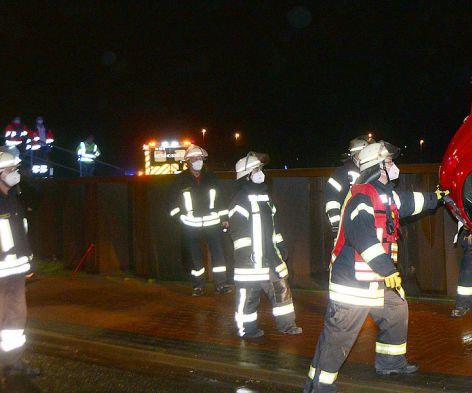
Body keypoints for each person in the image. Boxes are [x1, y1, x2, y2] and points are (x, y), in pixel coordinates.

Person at [304, 141, 446, 392]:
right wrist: (387, 269)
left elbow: (410, 201)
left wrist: (437, 197)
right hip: (353, 283)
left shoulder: (384, 194)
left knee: (396, 311)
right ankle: (319, 386)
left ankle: (391, 362)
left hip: (376, 279)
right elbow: (363, 237)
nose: (395, 167)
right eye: (390, 162)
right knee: (339, 337)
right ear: (377, 166)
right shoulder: (361, 195)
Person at [228, 151, 302, 339]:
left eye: (261, 169)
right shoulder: (239, 202)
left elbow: (273, 228)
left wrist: (281, 245)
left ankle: (287, 326)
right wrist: (248, 255)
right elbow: (238, 234)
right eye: (257, 170)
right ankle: (247, 329)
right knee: (248, 298)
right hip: (250, 262)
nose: (262, 173)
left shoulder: (265, 198)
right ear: (246, 176)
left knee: (282, 291)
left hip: (271, 259)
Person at [168, 145, 231, 296]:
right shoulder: (180, 180)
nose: (198, 161)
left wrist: (224, 218)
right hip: (191, 226)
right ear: (188, 161)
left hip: (213, 223)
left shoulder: (211, 177)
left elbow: (221, 199)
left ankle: (221, 285)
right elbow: (171, 204)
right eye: (195, 159)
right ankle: (198, 286)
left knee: (219, 256)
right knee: (195, 258)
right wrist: (180, 218)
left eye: (200, 159)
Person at [0, 148, 39, 379]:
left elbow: (20, 234)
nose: (15, 173)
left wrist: (28, 265)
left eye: (16, 169)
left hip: (15, 272)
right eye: (10, 169)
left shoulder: (13, 198)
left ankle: (11, 361)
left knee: (14, 319)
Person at [324, 136, 373, 237]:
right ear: (355, 155)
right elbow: (332, 200)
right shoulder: (341, 174)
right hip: (347, 229)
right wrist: (337, 225)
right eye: (363, 154)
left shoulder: (373, 173)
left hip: (370, 227)